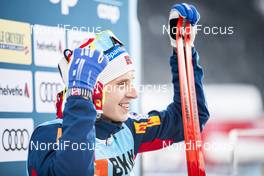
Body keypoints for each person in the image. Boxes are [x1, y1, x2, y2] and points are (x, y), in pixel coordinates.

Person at [27, 3, 209, 176]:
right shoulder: (47, 136)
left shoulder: (128, 128)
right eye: (122, 84)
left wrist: (183, 50)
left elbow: (190, 119)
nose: (133, 93)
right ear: (94, 92)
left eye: (131, 82)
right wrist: (80, 97)